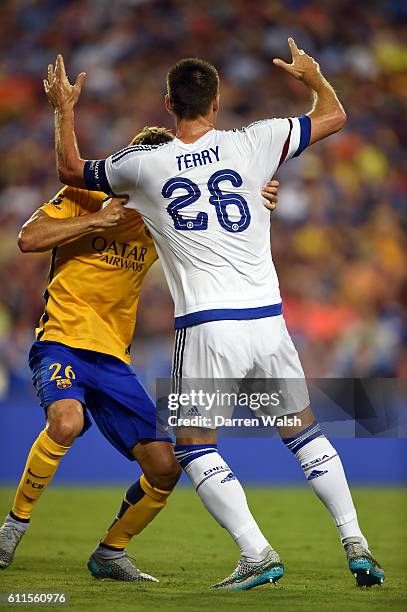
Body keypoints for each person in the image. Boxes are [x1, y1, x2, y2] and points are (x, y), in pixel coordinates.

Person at [44, 38, 384, 590]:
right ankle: (356, 543)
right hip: (269, 323)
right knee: (305, 435)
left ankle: (257, 553)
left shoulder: (144, 165)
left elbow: (69, 168)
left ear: (167, 103)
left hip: (207, 326)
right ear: (217, 102)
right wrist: (315, 77)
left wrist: (64, 108)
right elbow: (335, 116)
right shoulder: (259, 141)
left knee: (195, 447)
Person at [0, 125, 280, 583]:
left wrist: (260, 196)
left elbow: (221, 219)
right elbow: (29, 239)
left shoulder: (159, 220)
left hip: (113, 360)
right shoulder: (81, 195)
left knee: (165, 467)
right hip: (62, 341)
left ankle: (110, 552)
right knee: (66, 422)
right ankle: (13, 526)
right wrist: (96, 221)